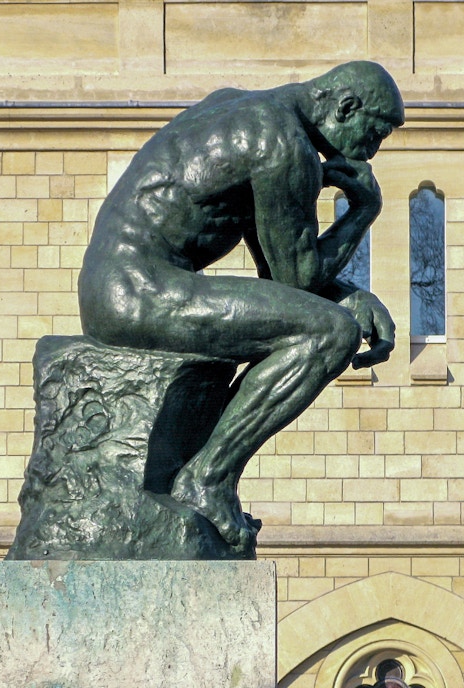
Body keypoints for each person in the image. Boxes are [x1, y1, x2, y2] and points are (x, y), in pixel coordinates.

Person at [77, 61, 404, 549]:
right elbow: (299, 277)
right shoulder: (282, 144)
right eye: (374, 134)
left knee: (320, 322)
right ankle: (207, 479)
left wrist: (349, 294)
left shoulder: (240, 106)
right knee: (330, 334)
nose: (371, 152)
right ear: (345, 107)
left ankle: (201, 473)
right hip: (138, 289)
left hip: (116, 283)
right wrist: (363, 212)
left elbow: (282, 277)